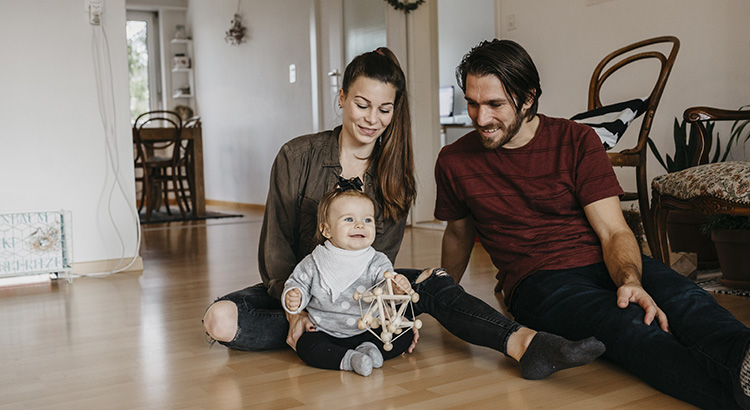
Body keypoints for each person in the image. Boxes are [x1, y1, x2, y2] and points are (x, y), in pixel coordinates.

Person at [203, 46, 605, 381]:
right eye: (361, 104)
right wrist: (298, 311)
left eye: (384, 109)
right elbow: (275, 254)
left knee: (433, 282)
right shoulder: (296, 156)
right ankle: (327, 334)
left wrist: (391, 310)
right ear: (342, 98)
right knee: (220, 320)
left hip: (364, 297)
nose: (371, 119)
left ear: (395, 111)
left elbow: (382, 264)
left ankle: (525, 344)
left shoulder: (397, 176)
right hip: (301, 291)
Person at [434, 38, 750, 409]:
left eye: (494, 104)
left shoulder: (575, 139)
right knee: (626, 326)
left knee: (688, 300)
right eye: (472, 103)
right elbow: (458, 233)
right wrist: (446, 299)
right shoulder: (454, 161)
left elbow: (613, 230)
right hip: (538, 282)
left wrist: (630, 281)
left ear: (528, 97)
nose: (480, 118)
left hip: (602, 259)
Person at [282, 187, 414, 377]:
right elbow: (297, 284)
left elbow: (385, 289)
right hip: (326, 331)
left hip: (371, 329)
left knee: (405, 333)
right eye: (349, 219)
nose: (360, 225)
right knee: (306, 346)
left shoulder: (377, 261)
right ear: (326, 229)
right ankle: (349, 359)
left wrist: (397, 287)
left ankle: (369, 349)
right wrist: (295, 296)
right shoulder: (314, 262)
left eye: (367, 220)